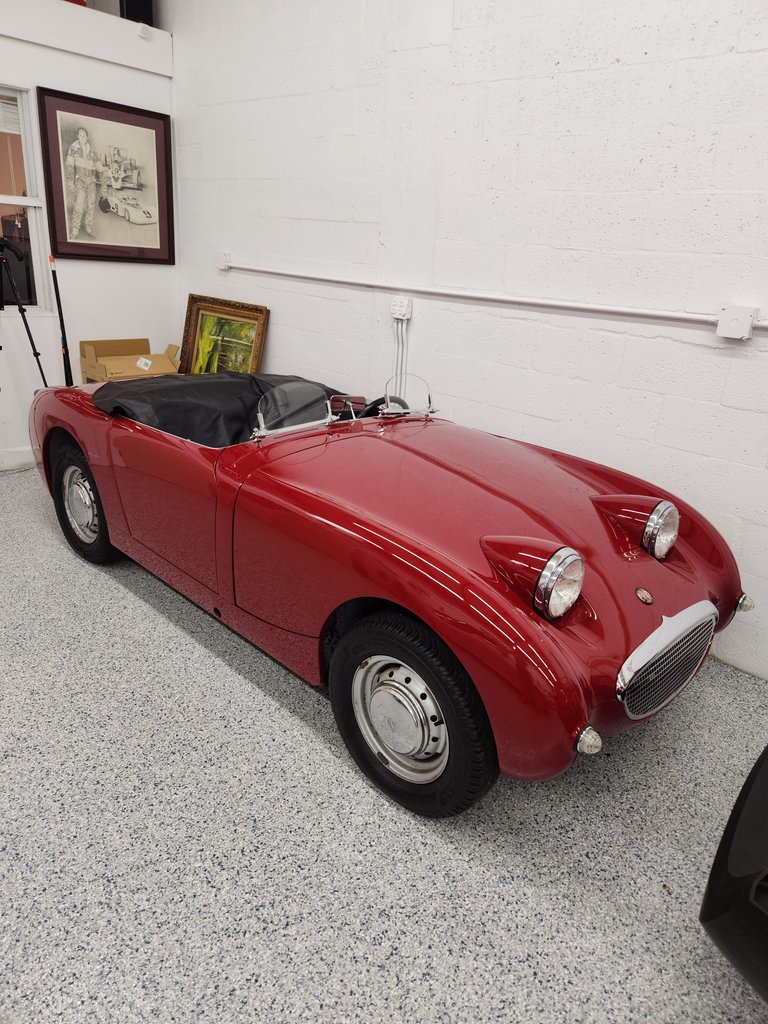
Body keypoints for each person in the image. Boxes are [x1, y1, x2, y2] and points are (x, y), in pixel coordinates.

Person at [65, 127, 101, 239]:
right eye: (80, 135)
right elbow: (69, 165)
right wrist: (70, 181)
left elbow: (99, 167)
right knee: (78, 207)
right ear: (77, 136)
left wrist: (100, 176)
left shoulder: (93, 151)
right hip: (80, 181)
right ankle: (75, 230)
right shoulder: (73, 148)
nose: (82, 137)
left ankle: (88, 227)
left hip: (91, 182)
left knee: (91, 206)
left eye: (84, 135)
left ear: (87, 137)